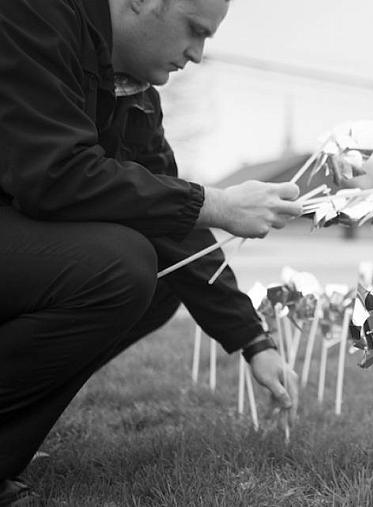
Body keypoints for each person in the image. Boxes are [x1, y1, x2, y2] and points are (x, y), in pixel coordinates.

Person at [0, 0, 302, 503]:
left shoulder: (131, 87)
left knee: (162, 275)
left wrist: (254, 341)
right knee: (119, 268)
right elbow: (53, 175)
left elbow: (169, 221)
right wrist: (218, 202)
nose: (199, 54)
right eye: (194, 30)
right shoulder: (30, 15)